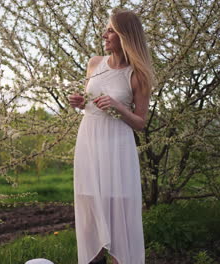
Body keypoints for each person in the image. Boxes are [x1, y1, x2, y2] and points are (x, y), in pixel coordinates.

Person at [68, 8, 155, 264]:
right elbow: (90, 103)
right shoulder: (94, 63)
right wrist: (80, 102)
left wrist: (118, 107)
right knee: (88, 210)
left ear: (125, 36)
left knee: (118, 216)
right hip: (89, 142)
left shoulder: (137, 75)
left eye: (110, 30)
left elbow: (140, 123)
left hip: (117, 147)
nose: (104, 34)